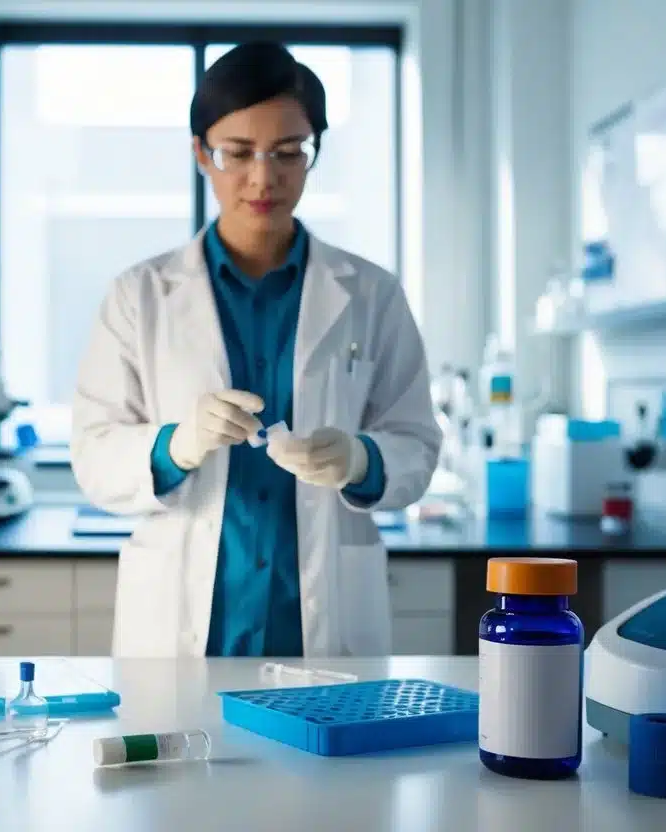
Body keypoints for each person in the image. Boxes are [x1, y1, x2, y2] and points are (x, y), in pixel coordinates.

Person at [71, 42, 441, 659]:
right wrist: (175, 445)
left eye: (289, 152)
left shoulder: (372, 295)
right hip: (184, 631)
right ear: (201, 153)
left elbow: (417, 443)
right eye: (237, 153)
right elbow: (94, 454)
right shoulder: (140, 296)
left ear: (314, 152)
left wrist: (362, 459)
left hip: (322, 627)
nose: (263, 178)